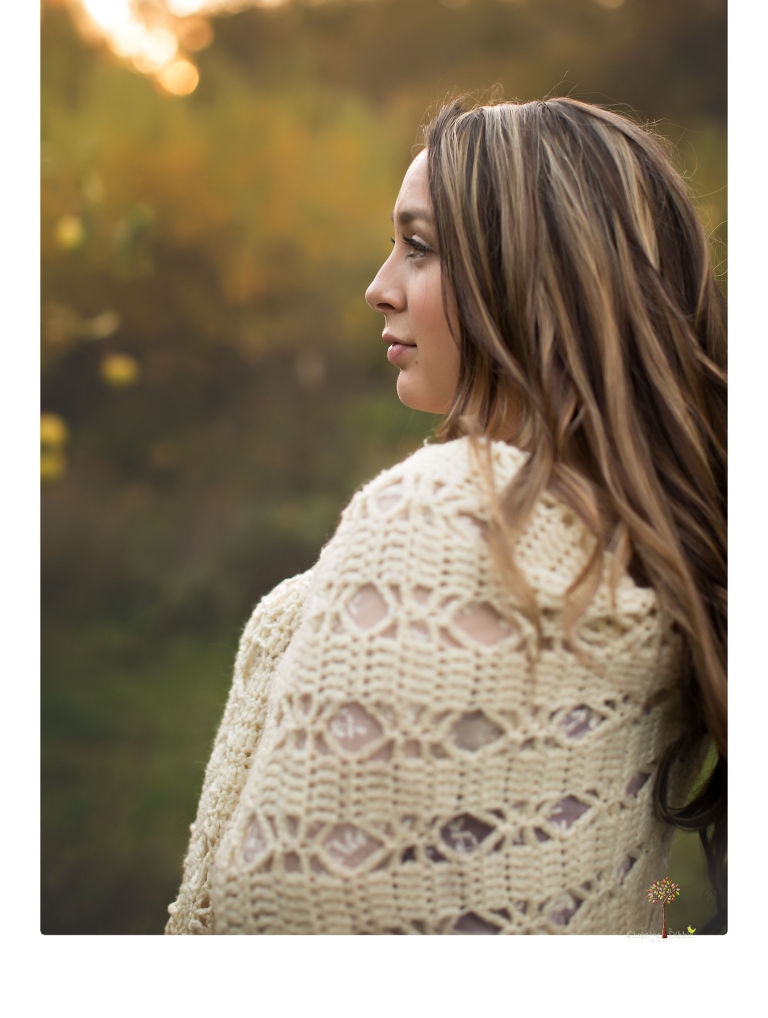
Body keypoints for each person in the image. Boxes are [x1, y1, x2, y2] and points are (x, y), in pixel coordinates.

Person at [165, 97, 727, 935]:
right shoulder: (637, 541)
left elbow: (294, 918)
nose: (377, 288)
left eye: (419, 247)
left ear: (541, 279)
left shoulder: (453, 521)